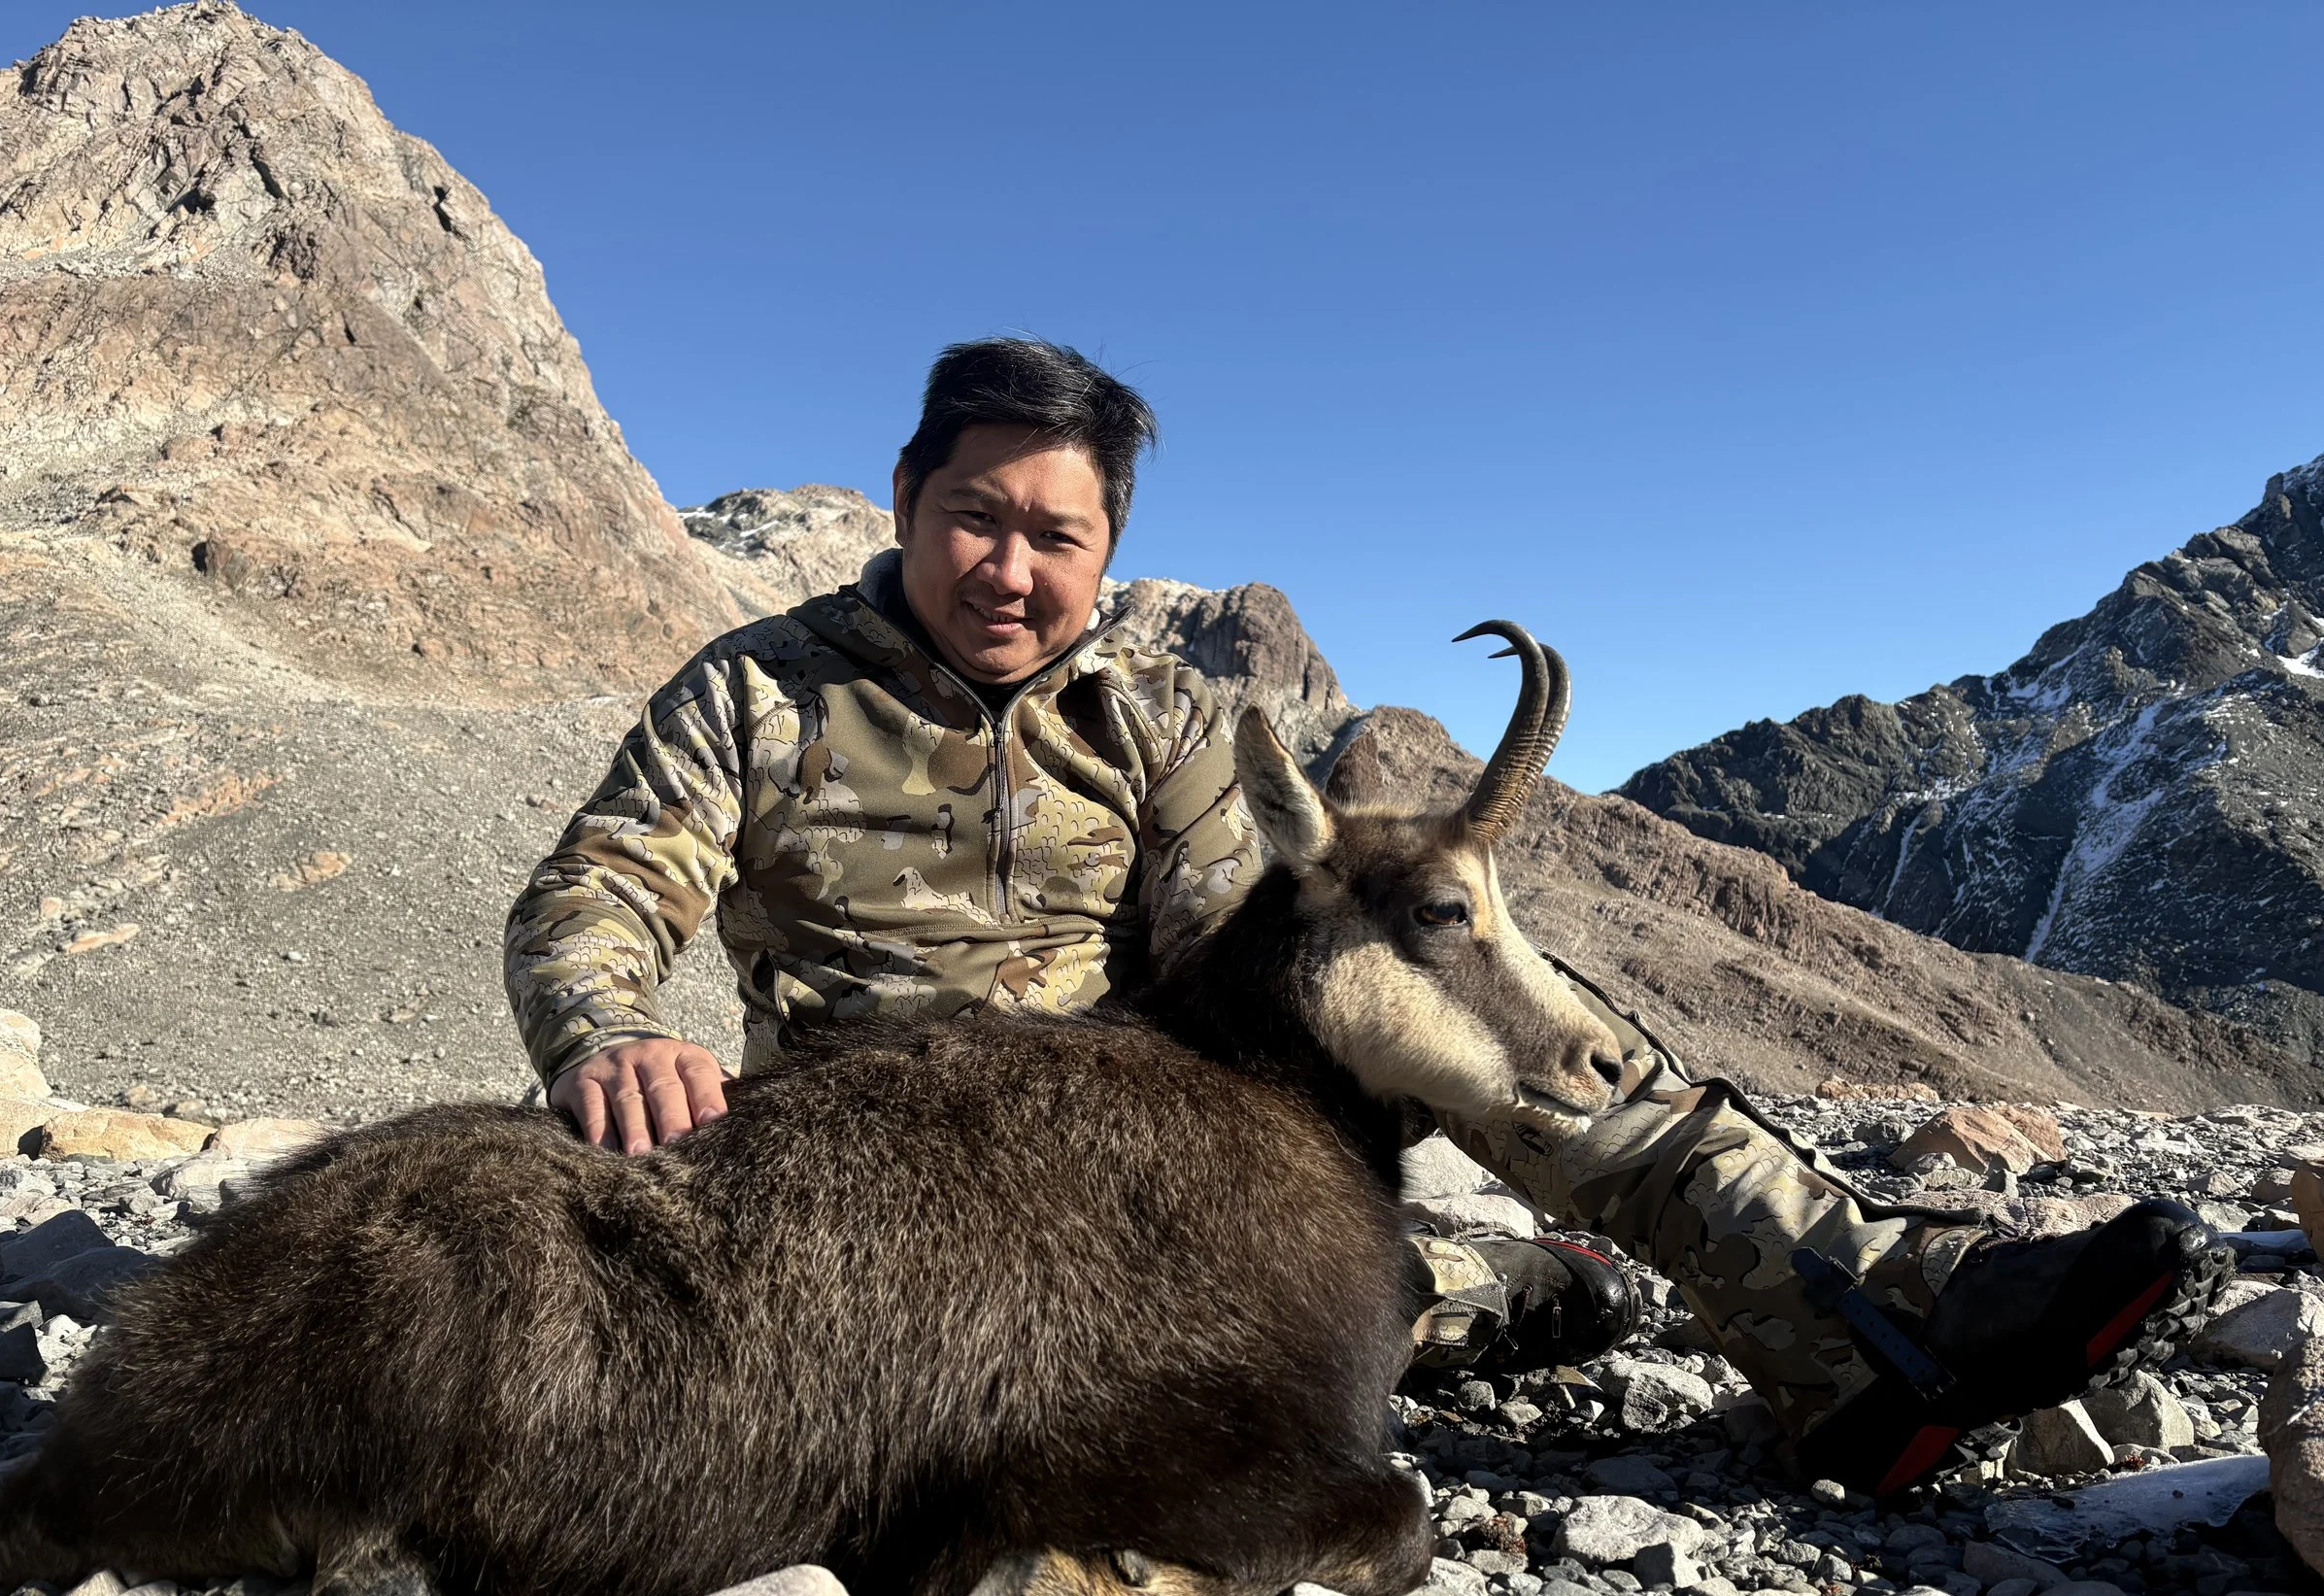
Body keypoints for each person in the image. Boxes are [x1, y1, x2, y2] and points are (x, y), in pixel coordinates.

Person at [504, 339, 2228, 1496]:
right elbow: (596, 887)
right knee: (1416, 1290)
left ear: (1109, 551)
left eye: (1059, 534)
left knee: (1446, 1009)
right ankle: (1506, 1287)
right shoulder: (758, 695)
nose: (1011, 569)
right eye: (977, 516)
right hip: (884, 1194)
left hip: (1136, 1159)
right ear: (906, 500)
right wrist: (612, 1026)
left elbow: (1234, 965)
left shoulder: (1171, 725)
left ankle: (1879, 1315)